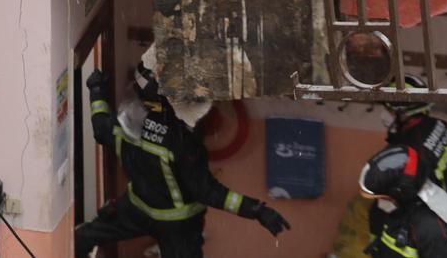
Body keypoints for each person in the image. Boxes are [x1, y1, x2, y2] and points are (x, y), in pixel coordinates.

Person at [75, 46, 290, 258]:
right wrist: (257, 211)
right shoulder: (182, 142)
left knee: (83, 237)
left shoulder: (125, 121)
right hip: (179, 226)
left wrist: (96, 91)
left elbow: (101, 129)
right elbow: (207, 191)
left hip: (136, 209)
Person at [369, 75, 447, 255]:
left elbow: (404, 187)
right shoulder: (441, 127)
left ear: (402, 112)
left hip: (433, 232)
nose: (384, 114)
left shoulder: (408, 146)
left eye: (388, 109)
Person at [359, 145, 447, 257]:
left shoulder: (428, 228)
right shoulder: (395, 210)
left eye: (383, 197)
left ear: (400, 192)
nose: (380, 201)